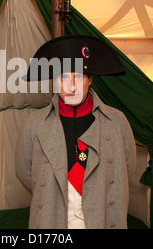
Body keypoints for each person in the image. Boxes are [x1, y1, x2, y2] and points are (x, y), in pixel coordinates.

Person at [15, 34, 136, 229]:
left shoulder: (116, 122)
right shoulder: (34, 124)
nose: (71, 86)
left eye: (78, 76)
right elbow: (25, 173)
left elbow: (125, 170)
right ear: (55, 81)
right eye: (63, 77)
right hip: (51, 221)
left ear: (90, 79)